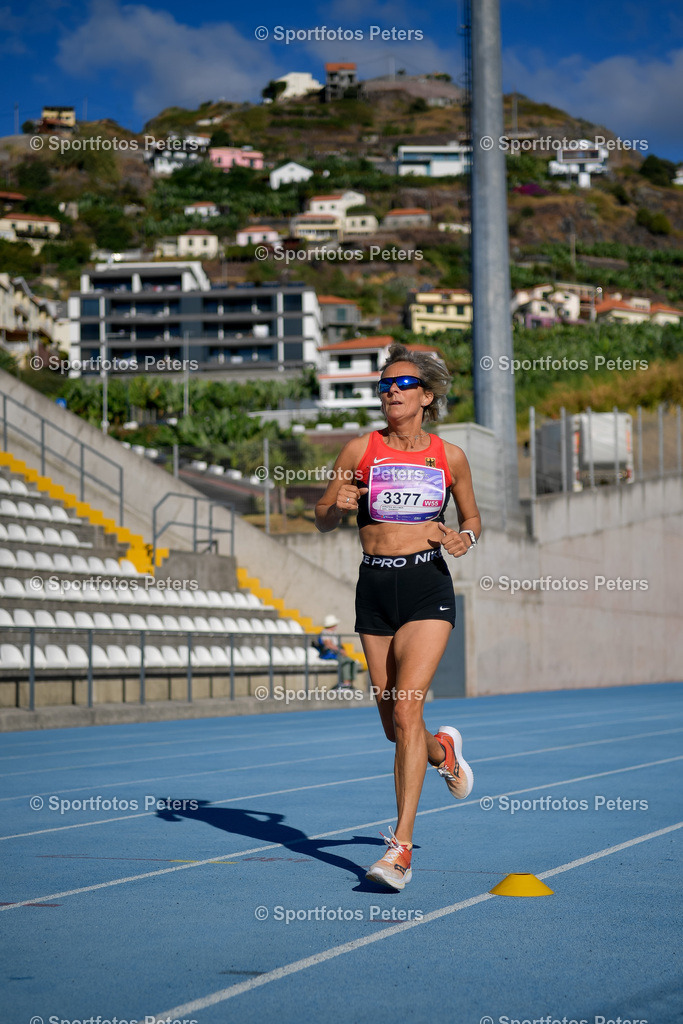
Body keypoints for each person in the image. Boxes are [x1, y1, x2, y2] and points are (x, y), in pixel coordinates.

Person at [314, 343, 481, 891]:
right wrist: (335, 507)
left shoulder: (448, 455)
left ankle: (400, 849)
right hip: (374, 588)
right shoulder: (359, 448)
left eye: (402, 385)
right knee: (394, 726)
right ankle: (444, 752)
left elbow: (472, 516)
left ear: (426, 397)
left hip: (427, 586)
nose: (390, 392)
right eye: (384, 385)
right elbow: (320, 516)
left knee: (408, 712)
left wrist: (464, 537)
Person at [313, 613, 358, 688]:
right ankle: (345, 683)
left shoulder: (333, 633)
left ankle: (349, 682)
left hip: (335, 653)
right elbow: (329, 645)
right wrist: (340, 650)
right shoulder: (325, 633)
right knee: (345, 661)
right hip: (328, 654)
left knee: (351, 661)